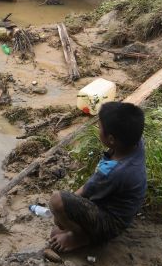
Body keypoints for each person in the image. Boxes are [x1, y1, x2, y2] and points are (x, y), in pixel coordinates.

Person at [48, 102, 147, 253]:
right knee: (60, 222)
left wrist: (60, 218)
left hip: (111, 224)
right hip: (122, 210)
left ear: (112, 139)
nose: (97, 129)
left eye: (99, 127)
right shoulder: (135, 142)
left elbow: (85, 191)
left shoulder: (113, 172)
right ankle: (80, 230)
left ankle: (81, 237)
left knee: (57, 202)